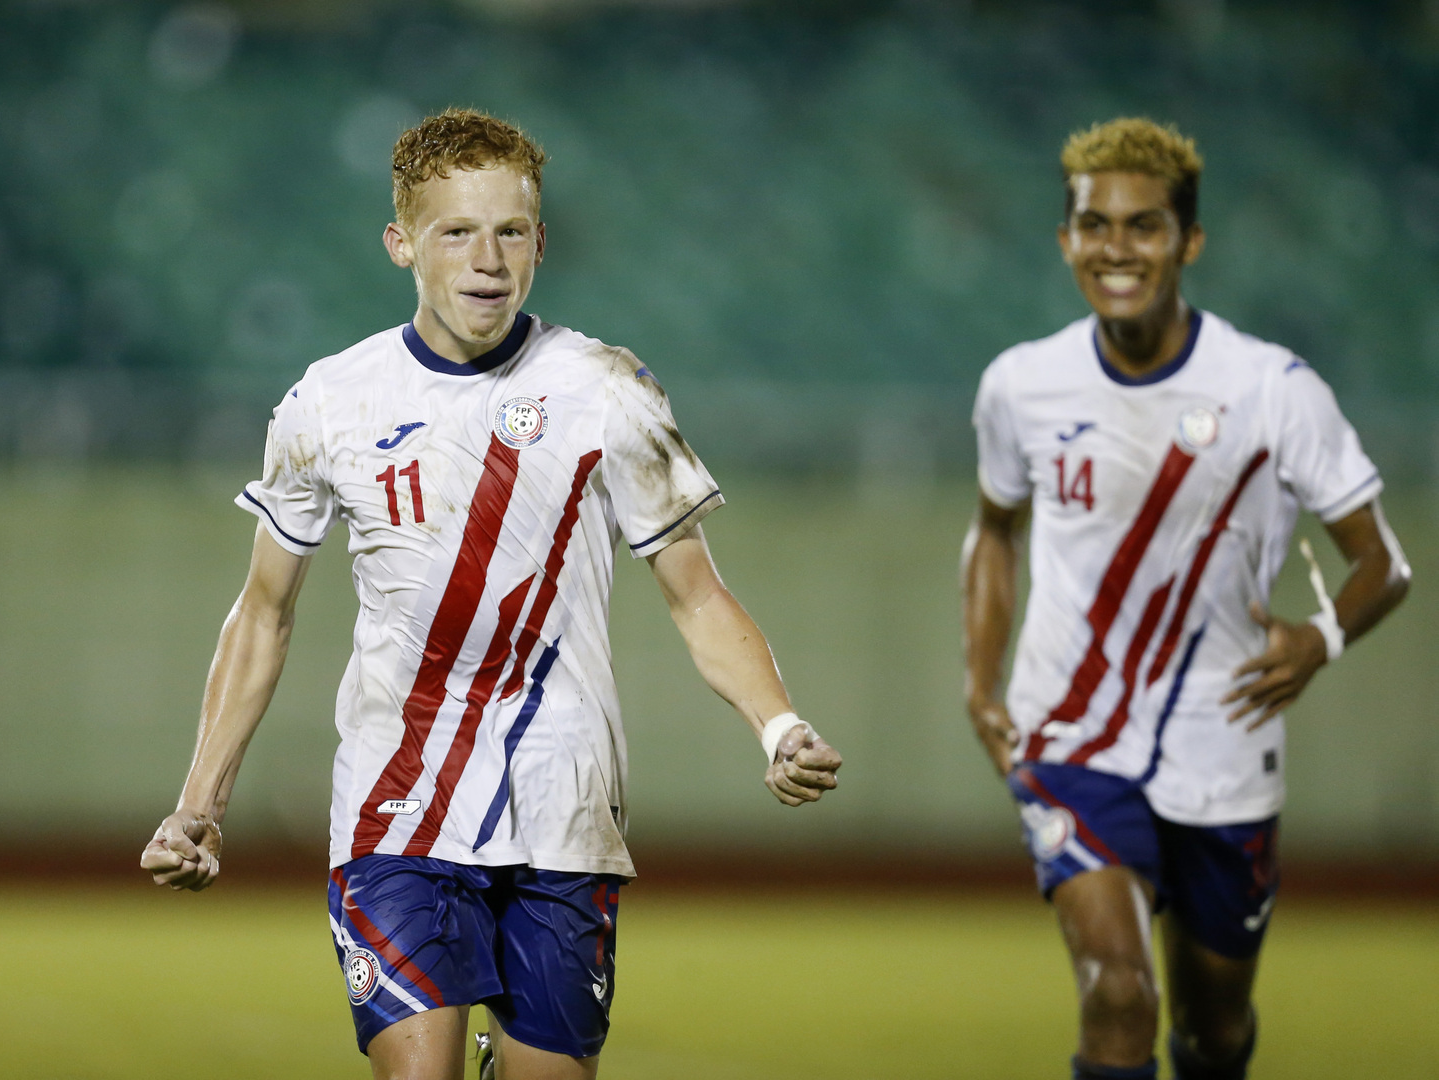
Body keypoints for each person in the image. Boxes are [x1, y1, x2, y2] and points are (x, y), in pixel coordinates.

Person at [139, 108, 842, 1080]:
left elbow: (697, 597)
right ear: (401, 243)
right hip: (396, 810)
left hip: (565, 807)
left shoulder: (605, 388)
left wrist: (778, 725)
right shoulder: (328, 403)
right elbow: (264, 611)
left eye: (511, 231)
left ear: (541, 242)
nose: (488, 259)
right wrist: (200, 805)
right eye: (456, 232)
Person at [962, 117, 1410, 1080]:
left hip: (1224, 744)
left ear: (1189, 243)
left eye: (1145, 226)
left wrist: (1321, 638)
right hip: (1070, 735)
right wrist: (978, 682)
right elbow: (995, 528)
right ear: (1066, 240)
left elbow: (1384, 564)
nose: (1116, 248)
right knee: (1118, 995)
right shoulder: (1021, 386)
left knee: (1213, 1030)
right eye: (1095, 225)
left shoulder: (1275, 391)